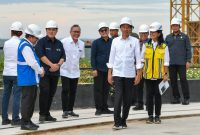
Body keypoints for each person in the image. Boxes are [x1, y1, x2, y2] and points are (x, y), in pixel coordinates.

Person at [107, 17, 142, 129]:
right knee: (118, 98)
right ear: (120, 28)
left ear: (131, 29)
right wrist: (109, 73)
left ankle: (123, 120)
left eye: (128, 27)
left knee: (127, 100)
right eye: (124, 27)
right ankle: (117, 122)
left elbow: (138, 58)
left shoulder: (135, 41)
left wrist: (138, 74)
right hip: (117, 73)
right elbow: (111, 58)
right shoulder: (115, 41)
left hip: (129, 74)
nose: (126, 29)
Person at [35, 20, 65, 122]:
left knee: (51, 93)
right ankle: (42, 115)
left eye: (53, 29)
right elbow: (41, 55)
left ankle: (47, 114)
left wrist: (58, 65)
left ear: (56, 31)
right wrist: (52, 65)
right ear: (46, 30)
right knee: (44, 93)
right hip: (45, 73)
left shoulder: (59, 43)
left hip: (55, 73)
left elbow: (63, 56)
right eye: (49, 29)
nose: (51, 31)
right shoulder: (41, 42)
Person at [141, 22, 169, 124]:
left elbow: (166, 61)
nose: (151, 34)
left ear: (159, 33)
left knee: (158, 96)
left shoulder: (164, 46)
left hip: (159, 76)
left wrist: (165, 74)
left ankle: (157, 116)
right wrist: (140, 73)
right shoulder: (146, 45)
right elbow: (142, 59)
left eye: (154, 32)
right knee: (149, 96)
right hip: (148, 75)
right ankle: (149, 116)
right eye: (151, 32)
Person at [17, 24, 44, 130]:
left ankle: (28, 120)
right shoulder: (26, 46)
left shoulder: (27, 45)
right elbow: (32, 62)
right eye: (36, 38)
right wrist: (40, 70)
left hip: (30, 78)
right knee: (27, 101)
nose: (37, 40)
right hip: (27, 78)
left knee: (31, 101)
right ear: (31, 36)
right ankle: (24, 123)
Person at [165, 18, 192, 105]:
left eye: (176, 25)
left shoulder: (184, 37)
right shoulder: (168, 37)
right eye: (173, 25)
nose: (175, 27)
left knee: (183, 80)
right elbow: (165, 50)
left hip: (182, 63)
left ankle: (186, 98)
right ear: (171, 27)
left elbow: (188, 49)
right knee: (173, 81)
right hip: (171, 63)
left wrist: (188, 61)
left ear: (179, 26)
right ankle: (176, 98)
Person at [60, 24, 85, 118]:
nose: (76, 33)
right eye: (74, 31)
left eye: (78, 32)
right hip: (65, 70)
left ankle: (70, 110)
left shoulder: (82, 44)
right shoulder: (64, 42)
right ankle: (65, 111)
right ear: (70, 32)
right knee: (65, 90)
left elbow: (81, 57)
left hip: (75, 71)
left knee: (73, 91)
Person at [2, 21, 23, 126]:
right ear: (20, 33)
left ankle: (4, 119)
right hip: (16, 73)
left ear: (11, 31)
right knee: (16, 96)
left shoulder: (6, 43)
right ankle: (15, 119)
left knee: (5, 95)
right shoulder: (21, 43)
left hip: (6, 73)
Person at [91, 22, 113, 115]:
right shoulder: (96, 42)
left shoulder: (113, 41)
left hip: (109, 70)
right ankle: (99, 109)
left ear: (108, 30)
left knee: (106, 89)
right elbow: (93, 56)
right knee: (98, 90)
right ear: (99, 32)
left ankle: (105, 108)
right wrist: (94, 69)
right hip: (99, 69)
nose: (104, 32)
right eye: (101, 30)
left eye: (105, 30)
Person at [133, 24, 149, 111]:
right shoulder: (136, 43)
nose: (143, 35)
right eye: (141, 34)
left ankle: (148, 104)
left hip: (148, 68)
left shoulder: (151, 43)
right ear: (139, 34)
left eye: (145, 34)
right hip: (138, 68)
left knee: (149, 87)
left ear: (148, 34)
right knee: (138, 86)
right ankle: (139, 104)